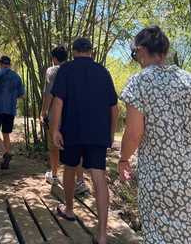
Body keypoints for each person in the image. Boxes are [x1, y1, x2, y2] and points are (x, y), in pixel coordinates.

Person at [118, 26, 191, 244]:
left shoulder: (138, 82)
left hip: (159, 187)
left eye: (135, 55)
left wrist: (123, 159)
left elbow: (133, 133)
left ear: (141, 51)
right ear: (166, 51)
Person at [52, 38, 118, 244]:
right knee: (99, 177)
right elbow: (114, 107)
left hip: (72, 129)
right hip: (98, 131)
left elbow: (58, 101)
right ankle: (102, 235)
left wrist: (55, 129)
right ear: (92, 51)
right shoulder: (103, 72)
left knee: (70, 168)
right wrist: (111, 134)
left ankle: (69, 210)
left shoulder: (65, 70)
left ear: (73, 51)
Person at [40, 46, 88, 194]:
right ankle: (80, 181)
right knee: (75, 149)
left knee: (54, 147)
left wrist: (43, 113)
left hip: (56, 116)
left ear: (54, 58)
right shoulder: (75, 69)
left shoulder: (52, 71)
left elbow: (49, 94)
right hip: (73, 116)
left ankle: (54, 176)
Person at [0, 56, 25, 169]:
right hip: (10, 109)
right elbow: (22, 96)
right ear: (10, 64)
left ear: (0, 64)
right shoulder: (16, 77)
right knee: (6, 133)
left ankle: (5, 153)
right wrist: (11, 96)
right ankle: (6, 161)